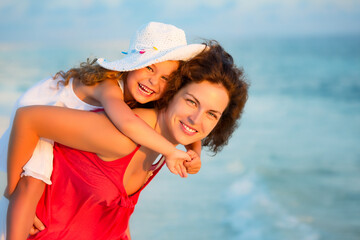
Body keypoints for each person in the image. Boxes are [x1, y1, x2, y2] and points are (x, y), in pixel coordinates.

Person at [4, 41, 249, 239]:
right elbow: (29, 118)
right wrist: (12, 189)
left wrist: (195, 151)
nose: (197, 119)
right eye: (191, 102)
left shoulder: (162, 146)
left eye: (211, 114)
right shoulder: (123, 137)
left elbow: (111, 215)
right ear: (173, 93)